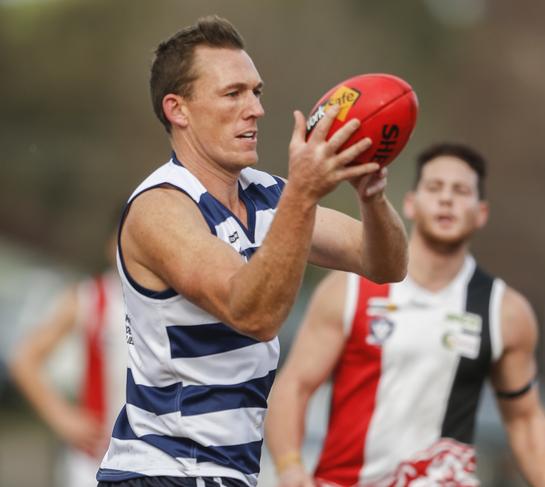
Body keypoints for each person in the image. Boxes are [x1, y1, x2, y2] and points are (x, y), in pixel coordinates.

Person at [96, 14, 408, 487]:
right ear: (178, 109)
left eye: (256, 92)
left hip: (230, 473)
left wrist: (372, 196)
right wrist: (303, 195)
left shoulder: (267, 195)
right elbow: (253, 312)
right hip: (162, 472)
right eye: (233, 93)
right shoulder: (160, 208)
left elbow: (386, 263)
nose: (256, 109)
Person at [265, 143, 545, 486]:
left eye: (461, 191)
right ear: (410, 203)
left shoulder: (504, 311)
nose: (446, 199)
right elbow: (295, 386)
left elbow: (525, 421)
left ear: (481, 212)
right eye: (435, 188)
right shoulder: (350, 290)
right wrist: (290, 466)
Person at [9, 233, 125, 487]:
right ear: (111, 245)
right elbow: (25, 359)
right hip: (95, 461)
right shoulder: (91, 296)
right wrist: (61, 417)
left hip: (157, 461)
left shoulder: (174, 300)